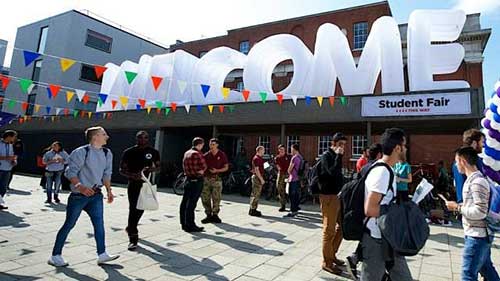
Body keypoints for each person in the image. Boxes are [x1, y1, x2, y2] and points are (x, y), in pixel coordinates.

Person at [48, 126, 119, 267]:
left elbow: (107, 173)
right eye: (104, 134)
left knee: (99, 225)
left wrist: (109, 191)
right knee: (69, 224)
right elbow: (70, 172)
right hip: (78, 196)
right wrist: (81, 187)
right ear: (95, 137)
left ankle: (102, 254)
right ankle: (55, 256)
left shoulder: (107, 153)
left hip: (96, 195)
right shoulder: (81, 152)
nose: (107, 136)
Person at [361, 128, 412, 281]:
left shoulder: (387, 169)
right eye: (404, 145)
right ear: (397, 148)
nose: (406, 148)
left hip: (388, 235)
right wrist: (398, 212)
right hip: (376, 238)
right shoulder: (382, 172)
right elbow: (370, 209)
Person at [445, 147, 499, 281]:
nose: (456, 165)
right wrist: (462, 206)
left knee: (467, 274)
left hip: (477, 236)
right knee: (486, 269)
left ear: (462, 161)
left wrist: (457, 207)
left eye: (456, 161)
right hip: (479, 234)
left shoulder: (477, 182)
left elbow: (480, 212)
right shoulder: (474, 180)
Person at [346, 143, 382, 279]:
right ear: (379, 155)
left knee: (368, 238)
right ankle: (355, 258)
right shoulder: (377, 169)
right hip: (371, 210)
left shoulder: (365, 167)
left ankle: (355, 258)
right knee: (372, 239)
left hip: (361, 207)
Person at [119, 131, 160, 250]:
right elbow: (121, 169)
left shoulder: (153, 152)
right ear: (136, 139)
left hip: (146, 183)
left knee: (142, 207)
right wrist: (132, 175)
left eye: (145, 137)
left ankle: (131, 226)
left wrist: (152, 169)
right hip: (133, 183)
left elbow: (159, 167)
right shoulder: (129, 152)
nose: (143, 140)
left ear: (148, 139)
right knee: (133, 208)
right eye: (140, 138)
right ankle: (133, 237)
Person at [319, 132, 347, 275]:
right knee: (329, 230)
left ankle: (332, 255)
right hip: (328, 197)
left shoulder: (336, 156)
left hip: (336, 196)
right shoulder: (326, 156)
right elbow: (331, 173)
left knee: (342, 227)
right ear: (334, 143)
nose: (343, 147)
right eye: (341, 144)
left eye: (344, 145)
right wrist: (338, 156)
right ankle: (327, 262)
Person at [180, 137, 207, 232]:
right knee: (192, 203)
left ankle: (183, 223)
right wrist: (202, 171)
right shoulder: (197, 154)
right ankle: (190, 224)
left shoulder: (187, 153)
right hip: (196, 179)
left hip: (188, 178)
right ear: (199, 144)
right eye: (202, 145)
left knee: (185, 202)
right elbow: (203, 167)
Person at [452, 129, 484, 203]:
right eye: (482, 142)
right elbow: (461, 185)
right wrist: (460, 206)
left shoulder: (477, 159)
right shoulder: (460, 161)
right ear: (474, 143)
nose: (483, 145)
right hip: (471, 206)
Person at [201, 138, 228, 224]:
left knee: (217, 198)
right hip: (206, 179)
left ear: (217, 145)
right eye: (210, 144)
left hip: (217, 179)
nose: (211, 146)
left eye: (213, 144)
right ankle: (208, 214)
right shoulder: (206, 155)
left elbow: (226, 167)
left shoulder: (222, 154)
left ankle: (215, 215)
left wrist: (217, 170)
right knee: (205, 197)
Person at [0, 130, 17, 210]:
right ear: (9, 136)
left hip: (8, 168)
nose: (14, 139)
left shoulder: (10, 145)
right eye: (14, 137)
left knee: (3, 187)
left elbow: (11, 155)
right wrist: (7, 158)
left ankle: (0, 203)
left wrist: (13, 161)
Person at [284, 144, 302, 218]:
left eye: (291, 149)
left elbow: (289, 169)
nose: (291, 150)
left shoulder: (294, 158)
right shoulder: (300, 157)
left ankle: (292, 211)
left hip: (293, 178)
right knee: (296, 195)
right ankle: (296, 209)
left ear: (294, 149)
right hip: (298, 178)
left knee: (292, 196)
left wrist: (288, 172)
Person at [249, 146, 266, 217]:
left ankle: (253, 208)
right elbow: (257, 170)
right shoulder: (256, 158)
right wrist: (261, 179)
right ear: (259, 151)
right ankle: (253, 210)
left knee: (257, 194)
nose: (264, 152)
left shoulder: (260, 158)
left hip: (258, 177)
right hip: (257, 178)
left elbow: (261, 167)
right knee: (255, 193)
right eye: (263, 150)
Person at [275, 144, 291, 212]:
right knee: (279, 188)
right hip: (281, 174)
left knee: (289, 190)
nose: (282, 151)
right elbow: (278, 167)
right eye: (280, 149)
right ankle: (282, 205)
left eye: (283, 149)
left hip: (288, 174)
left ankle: (293, 206)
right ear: (278, 150)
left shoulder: (288, 156)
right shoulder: (277, 158)